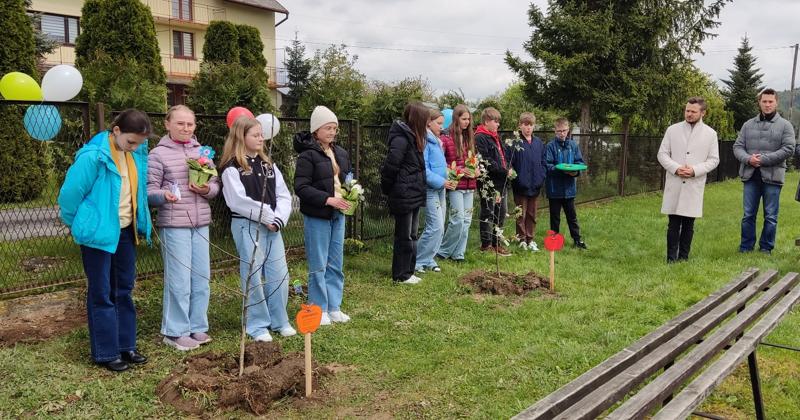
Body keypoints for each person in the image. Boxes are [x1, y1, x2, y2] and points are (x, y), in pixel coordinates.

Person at [58, 109, 153, 372]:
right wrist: (81, 223)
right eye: (131, 142)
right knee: (101, 292)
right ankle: (106, 352)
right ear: (116, 131)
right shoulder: (93, 157)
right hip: (97, 234)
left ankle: (126, 346)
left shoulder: (135, 155)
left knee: (123, 289)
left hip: (125, 231)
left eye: (139, 143)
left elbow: (136, 193)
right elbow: (69, 196)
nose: (134, 148)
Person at [147, 105, 219, 351]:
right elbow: (149, 191)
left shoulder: (202, 152)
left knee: (201, 277)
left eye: (190, 124)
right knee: (179, 280)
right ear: (167, 124)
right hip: (174, 223)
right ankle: (175, 331)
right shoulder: (158, 155)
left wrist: (207, 189)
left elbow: (215, 184)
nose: (186, 128)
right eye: (180, 123)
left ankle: (197, 325)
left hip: (201, 223)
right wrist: (163, 195)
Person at [220, 117, 296, 342]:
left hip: (273, 227)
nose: (261, 138)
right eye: (255, 135)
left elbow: (283, 195)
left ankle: (279, 320)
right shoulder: (232, 167)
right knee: (253, 274)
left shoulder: (268, 165)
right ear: (240, 137)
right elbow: (237, 201)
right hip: (248, 224)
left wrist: (278, 219)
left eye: (262, 134)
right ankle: (257, 324)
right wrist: (266, 216)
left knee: (279, 273)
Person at [293, 106, 352, 325]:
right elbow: (301, 187)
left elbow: (348, 178)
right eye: (328, 128)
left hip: (339, 213)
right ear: (316, 130)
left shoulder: (341, 153)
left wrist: (352, 192)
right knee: (319, 263)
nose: (332, 132)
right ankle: (319, 308)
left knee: (336, 261)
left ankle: (334, 306)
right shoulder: (307, 155)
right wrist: (327, 199)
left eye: (335, 128)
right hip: (318, 214)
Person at [733, 88, 796, 254]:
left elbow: (788, 149)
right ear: (759, 103)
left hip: (773, 177)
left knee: (770, 216)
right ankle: (746, 247)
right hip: (750, 176)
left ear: (776, 103)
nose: (767, 105)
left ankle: (766, 248)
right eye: (764, 101)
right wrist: (748, 159)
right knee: (748, 214)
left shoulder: (785, 126)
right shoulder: (748, 125)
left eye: (770, 101)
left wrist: (763, 160)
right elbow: (737, 147)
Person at [657, 97, 720, 263]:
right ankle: (671, 258)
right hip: (675, 181)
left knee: (688, 223)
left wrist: (694, 170)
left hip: (694, 183)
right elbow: (662, 154)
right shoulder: (672, 130)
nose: (689, 114)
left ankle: (683, 257)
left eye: (693, 111)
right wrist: (676, 168)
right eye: (687, 110)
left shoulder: (710, 134)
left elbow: (714, 160)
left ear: (703, 113)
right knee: (673, 222)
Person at [381, 102, 428, 284]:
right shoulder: (401, 139)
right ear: (417, 119)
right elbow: (391, 166)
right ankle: (400, 274)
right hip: (403, 193)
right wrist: (389, 189)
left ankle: (409, 270)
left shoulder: (414, 137)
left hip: (413, 193)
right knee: (404, 235)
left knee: (413, 234)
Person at [415, 109, 455, 274]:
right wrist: (441, 181)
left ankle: (429, 258)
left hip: (440, 188)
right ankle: (417, 260)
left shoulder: (436, 140)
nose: (441, 127)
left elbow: (439, 165)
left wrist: (449, 174)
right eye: (438, 123)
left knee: (440, 227)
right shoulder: (425, 141)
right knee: (435, 226)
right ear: (428, 123)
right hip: (430, 189)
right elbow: (424, 169)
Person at [438, 104, 478, 262]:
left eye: (468, 119)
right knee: (457, 220)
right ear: (456, 119)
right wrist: (460, 170)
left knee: (466, 221)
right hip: (456, 185)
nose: (467, 122)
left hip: (470, 184)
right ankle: (443, 251)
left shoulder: (469, 137)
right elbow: (442, 164)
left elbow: (474, 159)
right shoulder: (446, 138)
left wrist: (476, 169)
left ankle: (458, 254)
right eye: (464, 119)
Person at [544, 117, 587, 249]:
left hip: (569, 189)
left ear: (568, 130)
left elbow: (579, 163)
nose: (562, 133)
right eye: (559, 131)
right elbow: (547, 166)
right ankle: (554, 241)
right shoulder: (550, 146)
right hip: (554, 189)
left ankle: (577, 240)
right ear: (555, 131)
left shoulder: (573, 145)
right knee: (555, 217)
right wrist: (561, 170)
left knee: (572, 216)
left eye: (564, 130)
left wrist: (575, 172)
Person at [475, 107, 512, 256]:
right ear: (486, 121)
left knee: (501, 213)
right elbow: (485, 160)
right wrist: (503, 170)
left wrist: (508, 168)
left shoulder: (495, 136)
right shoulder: (480, 137)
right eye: (495, 121)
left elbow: (502, 157)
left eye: (498, 121)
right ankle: (486, 245)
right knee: (488, 212)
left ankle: (497, 243)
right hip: (488, 182)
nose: (498, 124)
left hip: (501, 181)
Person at [510, 112, 546, 252]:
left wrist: (541, 176)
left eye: (530, 125)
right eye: (525, 125)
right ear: (520, 126)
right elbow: (509, 163)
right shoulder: (515, 143)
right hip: (520, 186)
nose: (528, 128)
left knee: (532, 214)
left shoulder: (538, 143)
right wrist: (516, 177)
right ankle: (522, 239)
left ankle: (530, 239)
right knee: (521, 214)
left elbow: (543, 162)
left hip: (535, 185)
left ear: (534, 126)